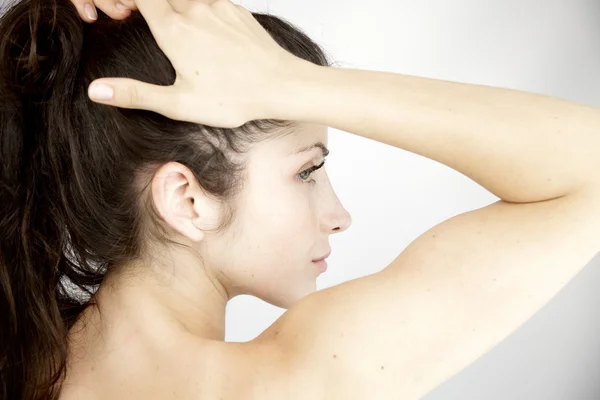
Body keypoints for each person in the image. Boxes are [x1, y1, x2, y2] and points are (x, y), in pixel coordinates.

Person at [1, 0, 599, 399]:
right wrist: (287, 81)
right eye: (308, 170)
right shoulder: (288, 383)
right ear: (187, 198)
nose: (340, 217)